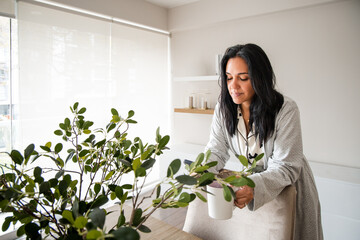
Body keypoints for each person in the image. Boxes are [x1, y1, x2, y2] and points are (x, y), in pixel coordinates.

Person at [205, 43, 323, 240]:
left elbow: (286, 167)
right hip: (253, 187)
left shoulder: (285, 109)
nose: (233, 86)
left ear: (260, 78)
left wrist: (254, 185)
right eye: (228, 78)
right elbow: (217, 149)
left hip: (289, 186)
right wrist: (202, 170)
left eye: (243, 78)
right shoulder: (223, 109)